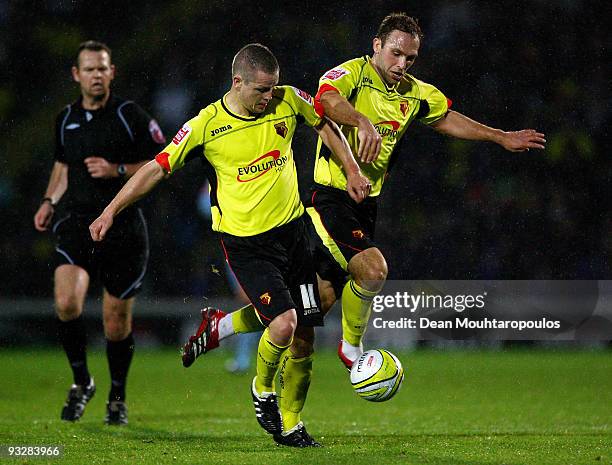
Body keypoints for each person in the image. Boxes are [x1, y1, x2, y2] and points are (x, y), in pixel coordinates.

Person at [180, 11, 546, 433]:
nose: (402, 64)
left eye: (410, 57)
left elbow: (446, 117)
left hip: (364, 206)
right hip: (328, 200)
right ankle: (353, 351)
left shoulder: (413, 92)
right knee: (373, 269)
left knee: (305, 313)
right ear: (376, 46)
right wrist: (360, 119)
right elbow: (327, 100)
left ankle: (219, 328)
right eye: (395, 53)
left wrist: (500, 137)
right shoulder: (353, 73)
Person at [89, 43, 370, 446]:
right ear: (237, 81)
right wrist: (110, 210)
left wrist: (352, 168)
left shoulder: (288, 100)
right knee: (285, 322)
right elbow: (155, 168)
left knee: (305, 336)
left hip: (294, 234)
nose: (268, 98)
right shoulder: (206, 124)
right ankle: (262, 391)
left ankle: (290, 425)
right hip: (246, 245)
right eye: (261, 91)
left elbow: (323, 122)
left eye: (272, 89)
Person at [33, 40, 166, 425]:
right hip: (76, 223)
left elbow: (162, 162)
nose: (96, 75)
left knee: (115, 323)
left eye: (102, 68)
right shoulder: (65, 118)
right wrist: (48, 201)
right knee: (66, 303)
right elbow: (62, 167)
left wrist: (118, 170)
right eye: (89, 69)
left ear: (112, 73)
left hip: (122, 228)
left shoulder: (130, 116)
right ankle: (81, 382)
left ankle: (117, 397)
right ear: (76, 75)